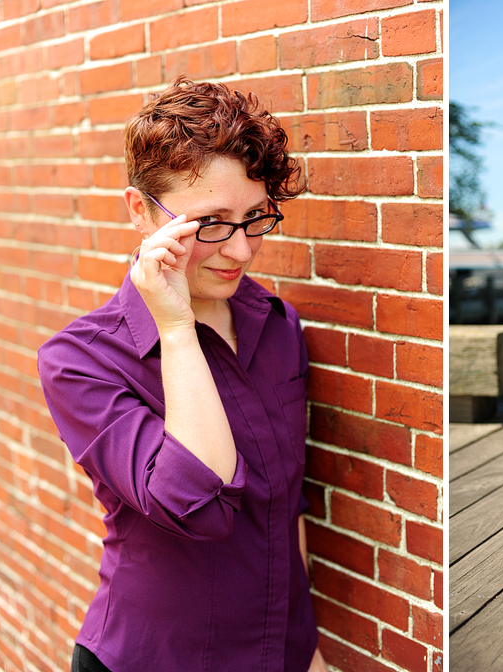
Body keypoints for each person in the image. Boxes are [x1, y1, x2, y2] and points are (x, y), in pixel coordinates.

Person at [38, 77, 328, 672]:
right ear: (141, 211)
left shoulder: (276, 326)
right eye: (212, 223)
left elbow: (284, 505)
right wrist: (175, 329)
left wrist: (307, 648)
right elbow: (198, 503)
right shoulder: (80, 362)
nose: (242, 251)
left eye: (253, 218)